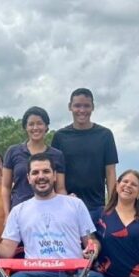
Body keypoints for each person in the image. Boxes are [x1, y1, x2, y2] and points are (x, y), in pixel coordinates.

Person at [0, 153, 120, 277]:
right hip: (37, 275)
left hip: (74, 275)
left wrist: (93, 248)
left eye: (46, 171)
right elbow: (7, 250)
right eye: (35, 173)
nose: (41, 176)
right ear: (28, 178)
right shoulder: (19, 210)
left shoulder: (75, 204)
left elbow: (91, 241)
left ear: (54, 175)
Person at [51, 88, 119, 223]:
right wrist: (62, 199)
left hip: (97, 207)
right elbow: (55, 173)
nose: (82, 110)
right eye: (77, 105)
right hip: (67, 205)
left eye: (86, 106)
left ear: (93, 107)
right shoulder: (60, 137)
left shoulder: (105, 135)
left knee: (97, 244)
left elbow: (110, 173)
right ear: (70, 107)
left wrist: (112, 206)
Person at [2, 106, 67, 216]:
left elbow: (60, 188)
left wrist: (64, 209)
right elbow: (6, 187)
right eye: (31, 124)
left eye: (39, 123)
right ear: (25, 127)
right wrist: (7, 215)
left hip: (49, 211)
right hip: (19, 212)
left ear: (46, 126)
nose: (35, 127)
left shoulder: (57, 155)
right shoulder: (13, 151)